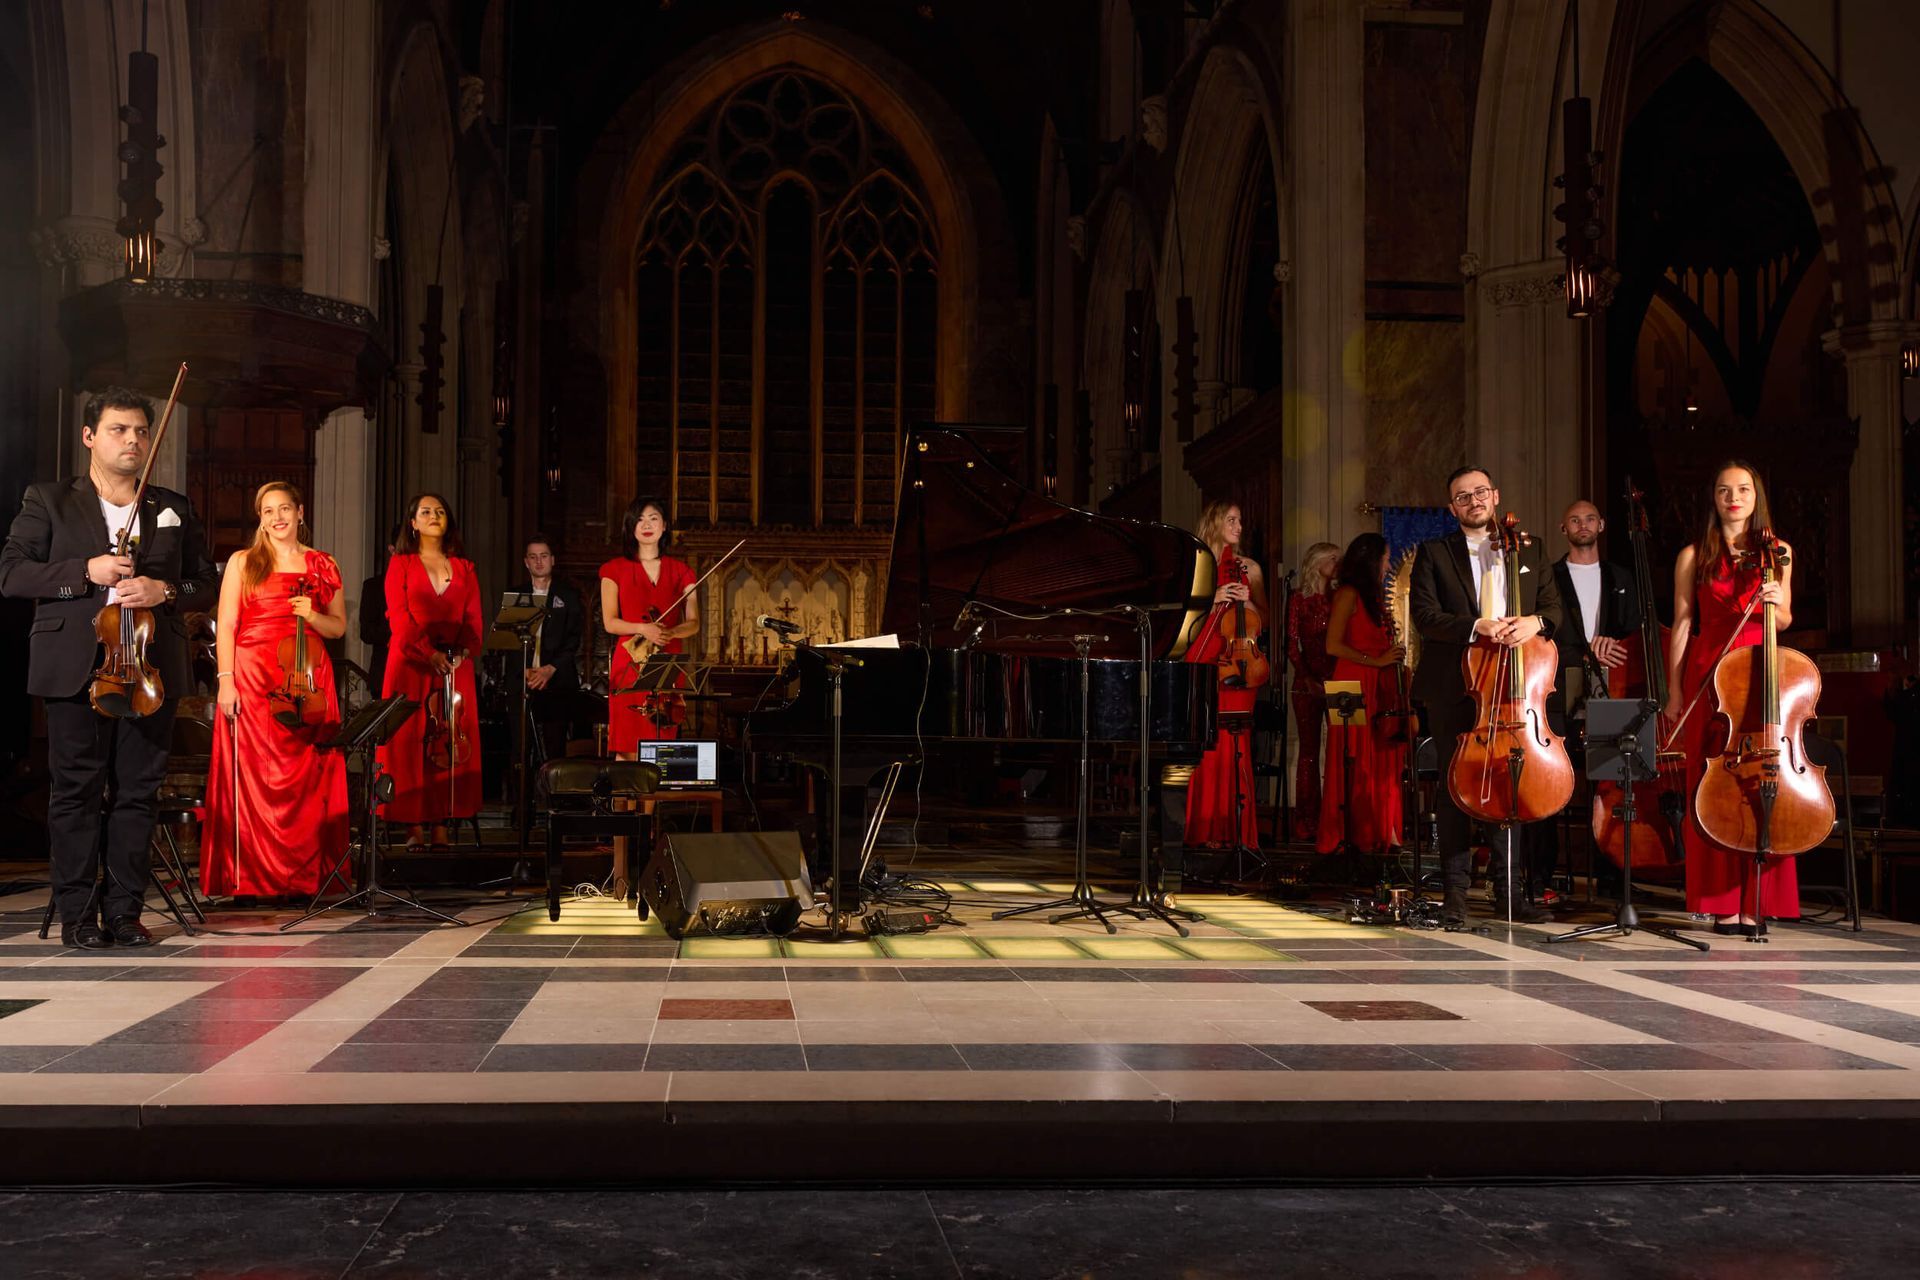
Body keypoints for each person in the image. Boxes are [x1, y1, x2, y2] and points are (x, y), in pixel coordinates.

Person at [0, 386, 218, 948]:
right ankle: (78, 915)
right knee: (75, 792)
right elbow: (14, 574)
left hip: (148, 667)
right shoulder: (48, 499)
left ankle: (124, 912)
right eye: (120, 429)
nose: (133, 440)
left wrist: (163, 588)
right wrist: (85, 570)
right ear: (90, 437)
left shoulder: (172, 505)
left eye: (142, 430)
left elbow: (205, 585)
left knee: (137, 793)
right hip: (75, 665)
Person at [1408, 465, 1564, 928]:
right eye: (1462, 497)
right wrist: (1478, 625)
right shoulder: (1436, 553)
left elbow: (1555, 608)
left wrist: (1535, 623)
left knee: (1511, 786)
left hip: (1517, 689)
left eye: (1480, 492)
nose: (1473, 501)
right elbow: (1425, 616)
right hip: (1456, 685)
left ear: (1495, 496)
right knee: (1457, 788)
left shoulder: (1529, 549)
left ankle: (1509, 894)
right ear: (1452, 508)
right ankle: (1455, 894)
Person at [1664, 460, 1797, 935]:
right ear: (1714, 498)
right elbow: (1683, 624)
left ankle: (1757, 900)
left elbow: (1783, 621)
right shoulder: (1692, 555)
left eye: (1743, 489)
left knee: (1761, 779)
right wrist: (1675, 688)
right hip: (1708, 671)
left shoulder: (1778, 551)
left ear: (1756, 496)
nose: (1733, 497)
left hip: (1759, 667)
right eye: (1724, 490)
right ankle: (1720, 901)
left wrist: (1773, 599)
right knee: (1713, 782)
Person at [201, 483, 350, 901]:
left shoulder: (323, 563)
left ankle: (303, 878)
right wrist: (225, 680)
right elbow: (226, 624)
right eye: (268, 511)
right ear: (260, 519)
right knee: (255, 774)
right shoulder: (243, 561)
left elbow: (339, 627)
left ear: (301, 512)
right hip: (251, 674)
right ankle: (250, 879)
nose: (277, 517)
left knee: (308, 775)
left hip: (305, 677)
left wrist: (313, 616)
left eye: (285, 508)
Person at [600, 496, 698, 888]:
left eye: (654, 518)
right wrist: (644, 629)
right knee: (627, 758)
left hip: (665, 667)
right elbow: (610, 622)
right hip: (629, 666)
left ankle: (655, 850)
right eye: (640, 518)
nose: (647, 524)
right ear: (631, 526)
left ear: (664, 527)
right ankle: (623, 859)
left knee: (661, 759)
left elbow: (692, 622)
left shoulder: (681, 570)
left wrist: (669, 632)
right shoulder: (613, 569)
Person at [378, 493, 483, 853]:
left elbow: (474, 619)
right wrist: (429, 653)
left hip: (454, 664)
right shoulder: (402, 565)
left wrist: (462, 652)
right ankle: (413, 825)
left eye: (440, 511)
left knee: (448, 738)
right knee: (410, 741)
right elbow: (399, 618)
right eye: (426, 512)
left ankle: (441, 820)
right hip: (411, 662)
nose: (434, 516)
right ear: (413, 523)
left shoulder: (465, 568)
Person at [1183, 500, 1266, 852]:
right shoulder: (1197, 563)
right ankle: (1202, 829)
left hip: (1239, 662)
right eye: (1231, 519)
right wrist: (1213, 597)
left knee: (1234, 745)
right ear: (1214, 522)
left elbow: (1262, 617)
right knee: (1204, 747)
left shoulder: (1250, 568)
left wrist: (1247, 602)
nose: (1239, 526)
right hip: (1203, 658)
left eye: (1240, 519)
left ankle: (1234, 832)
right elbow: (1180, 613)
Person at [1316, 533, 1405, 855]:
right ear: (1371, 560)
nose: (1387, 566)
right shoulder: (1347, 594)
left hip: (1376, 683)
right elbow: (1332, 646)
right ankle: (1348, 833)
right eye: (1384, 559)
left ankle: (1382, 829)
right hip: (1347, 683)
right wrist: (1376, 659)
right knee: (1349, 759)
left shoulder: (1375, 600)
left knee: (1380, 756)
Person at [512, 533, 585, 762]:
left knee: (554, 750)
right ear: (526, 562)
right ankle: (522, 797)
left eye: (544, 556)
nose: (539, 561)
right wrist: (524, 669)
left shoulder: (569, 595)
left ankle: (552, 798)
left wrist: (549, 669)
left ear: (553, 559)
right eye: (533, 557)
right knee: (521, 750)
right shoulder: (516, 595)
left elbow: (574, 639)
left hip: (558, 681)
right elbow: (508, 640)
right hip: (524, 680)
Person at [1284, 542, 1340, 843]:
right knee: (1308, 752)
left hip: (1336, 679)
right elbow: (1292, 643)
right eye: (1332, 559)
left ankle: (1335, 818)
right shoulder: (1298, 599)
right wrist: (1306, 677)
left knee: (1338, 749)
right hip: (1305, 682)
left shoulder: (1338, 598)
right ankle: (1307, 820)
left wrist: (1333, 679)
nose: (1337, 564)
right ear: (1316, 561)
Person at [357, 524, 401, 699]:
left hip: (418, 674)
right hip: (384, 674)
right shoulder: (373, 587)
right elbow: (366, 633)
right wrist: (398, 629)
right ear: (392, 549)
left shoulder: (424, 586)